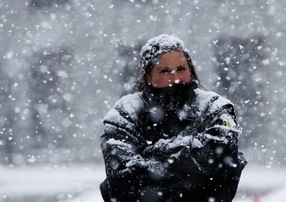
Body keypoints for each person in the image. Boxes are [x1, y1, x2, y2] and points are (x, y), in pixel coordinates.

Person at [100, 34, 247, 202]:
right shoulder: (125, 113)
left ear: (190, 70)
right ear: (148, 76)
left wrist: (152, 154)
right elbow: (121, 180)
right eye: (165, 71)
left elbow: (221, 159)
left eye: (181, 69)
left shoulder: (216, 107)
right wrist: (192, 166)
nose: (176, 78)